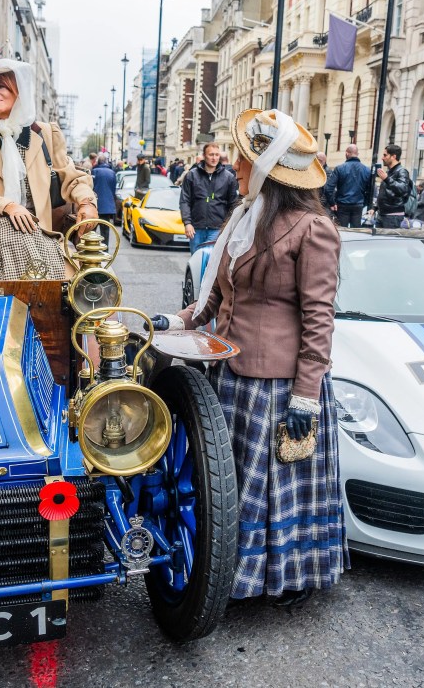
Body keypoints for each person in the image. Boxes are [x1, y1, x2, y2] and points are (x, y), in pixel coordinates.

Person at [151, 109, 346, 605]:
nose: (235, 166)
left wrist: (307, 397)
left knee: (273, 491)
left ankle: (282, 580)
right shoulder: (244, 215)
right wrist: (180, 321)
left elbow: (319, 318)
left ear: (267, 168)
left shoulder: (313, 228)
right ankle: (230, 577)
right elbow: (217, 294)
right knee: (229, 488)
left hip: (278, 385)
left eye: (243, 158)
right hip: (232, 375)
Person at [0, 59, 97, 280]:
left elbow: (72, 176)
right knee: (11, 233)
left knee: (88, 280)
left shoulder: (46, 133)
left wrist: (86, 202)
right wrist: (7, 206)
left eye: (1, 87)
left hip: (38, 232)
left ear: (18, 90)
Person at [179, 142, 240, 254]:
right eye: (211, 155)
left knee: (211, 261)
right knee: (196, 261)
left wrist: (228, 226)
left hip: (217, 228)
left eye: (217, 155)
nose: (214, 158)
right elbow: (185, 200)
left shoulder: (228, 178)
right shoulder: (192, 175)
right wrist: (187, 223)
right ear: (204, 155)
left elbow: (233, 203)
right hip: (196, 227)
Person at [323, 144, 371, 228]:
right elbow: (370, 190)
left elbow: (328, 188)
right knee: (356, 233)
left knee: (341, 231)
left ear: (347, 153)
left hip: (342, 205)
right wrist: (363, 202)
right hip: (358, 205)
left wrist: (332, 203)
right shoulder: (366, 170)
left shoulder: (339, 168)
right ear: (357, 154)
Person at [370, 144, 413, 229]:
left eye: (385, 155)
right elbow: (384, 193)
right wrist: (375, 208)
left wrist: (387, 179)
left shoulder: (402, 171)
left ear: (393, 156)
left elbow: (402, 189)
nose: (382, 158)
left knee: (389, 241)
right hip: (382, 215)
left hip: (393, 217)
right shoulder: (389, 172)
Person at [91, 154, 117, 246]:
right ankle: (105, 250)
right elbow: (113, 189)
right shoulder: (112, 172)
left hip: (96, 205)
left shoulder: (94, 171)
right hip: (107, 206)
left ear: (98, 162)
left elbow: (91, 187)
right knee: (105, 231)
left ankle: (91, 249)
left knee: (92, 230)